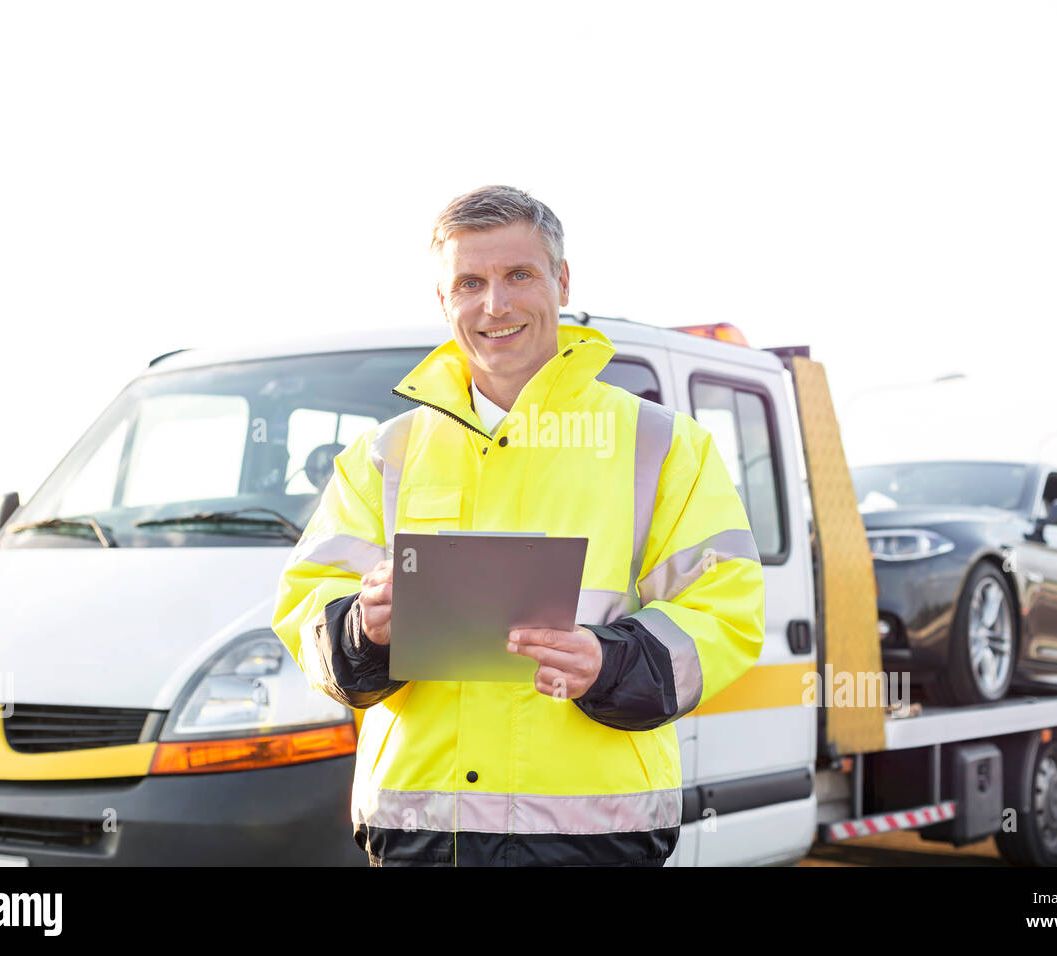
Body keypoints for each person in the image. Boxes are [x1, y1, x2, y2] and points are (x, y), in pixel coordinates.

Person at [271, 185, 764, 866]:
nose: (494, 305)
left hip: (597, 833)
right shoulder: (383, 454)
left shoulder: (662, 445)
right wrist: (362, 627)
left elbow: (727, 613)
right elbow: (306, 610)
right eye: (469, 282)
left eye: (518, 275)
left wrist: (609, 661)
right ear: (442, 300)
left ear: (562, 280)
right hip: (421, 830)